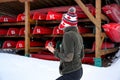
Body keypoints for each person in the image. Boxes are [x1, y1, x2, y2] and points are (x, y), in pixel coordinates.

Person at [46, 7, 84, 80]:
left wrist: (53, 51)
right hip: (79, 71)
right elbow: (81, 55)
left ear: (66, 23)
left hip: (71, 73)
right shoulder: (78, 35)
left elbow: (68, 57)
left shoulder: (68, 35)